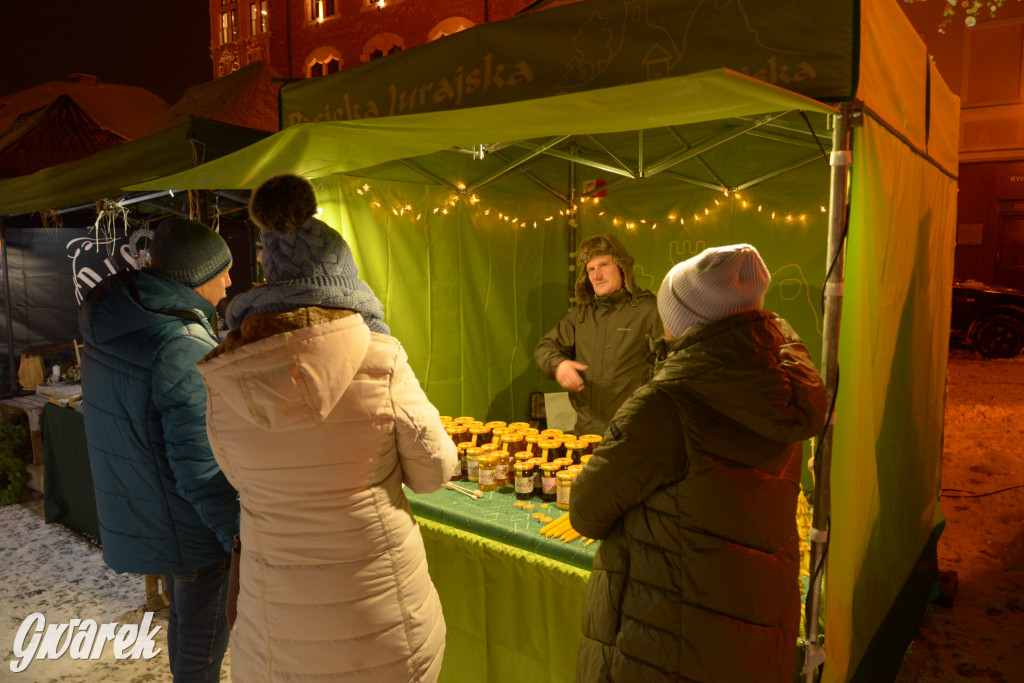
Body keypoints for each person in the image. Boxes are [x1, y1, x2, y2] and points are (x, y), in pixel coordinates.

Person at [198, 174, 457, 682]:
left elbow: (236, 478)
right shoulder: (381, 359)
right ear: (346, 284)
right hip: (382, 618)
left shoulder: (226, 373)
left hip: (275, 623)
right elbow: (434, 472)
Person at [570, 244, 827, 682]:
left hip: (669, 631)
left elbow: (587, 509)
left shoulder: (666, 404)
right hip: (755, 616)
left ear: (683, 320)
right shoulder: (777, 382)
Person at [79, 218, 239, 682]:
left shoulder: (123, 320)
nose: (230, 281)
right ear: (197, 276)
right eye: (223, 271)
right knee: (202, 641)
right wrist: (236, 534)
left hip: (155, 512)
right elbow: (200, 463)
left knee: (186, 626)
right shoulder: (179, 343)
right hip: (190, 527)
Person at [534, 234, 661, 435]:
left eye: (603, 265)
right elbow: (546, 347)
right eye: (591, 269)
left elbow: (672, 366)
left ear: (621, 267)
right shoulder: (581, 315)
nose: (596, 275)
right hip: (587, 434)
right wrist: (559, 365)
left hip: (634, 433)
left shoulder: (649, 311)